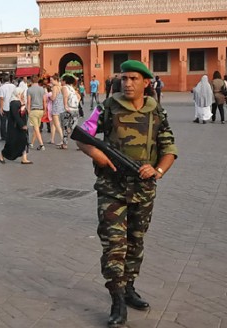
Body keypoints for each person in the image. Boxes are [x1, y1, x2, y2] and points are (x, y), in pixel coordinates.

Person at [76, 60, 177, 328]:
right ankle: (117, 299)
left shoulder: (157, 112)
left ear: (146, 82)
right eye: (124, 78)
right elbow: (82, 135)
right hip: (112, 189)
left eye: (133, 78)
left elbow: (169, 148)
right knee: (114, 244)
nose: (127, 83)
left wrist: (157, 170)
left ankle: (129, 287)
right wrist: (96, 153)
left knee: (135, 242)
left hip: (143, 191)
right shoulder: (107, 107)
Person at [0, 87, 33, 164]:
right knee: (13, 143)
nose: (23, 95)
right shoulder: (14, 103)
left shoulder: (20, 102)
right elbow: (15, 115)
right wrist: (22, 125)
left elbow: (24, 113)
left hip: (21, 126)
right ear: (18, 93)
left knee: (24, 141)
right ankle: (2, 153)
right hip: (15, 127)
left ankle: (24, 158)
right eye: (21, 93)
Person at [27, 76, 46, 150]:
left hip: (33, 110)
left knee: (36, 128)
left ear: (31, 81)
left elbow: (29, 102)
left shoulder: (29, 90)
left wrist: (28, 111)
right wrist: (45, 110)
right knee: (36, 127)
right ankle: (31, 143)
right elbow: (44, 100)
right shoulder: (42, 89)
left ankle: (41, 144)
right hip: (40, 110)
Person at [0, 76, 16, 141]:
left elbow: (1, 99)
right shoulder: (14, 86)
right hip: (13, 106)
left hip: (5, 107)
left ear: (2, 80)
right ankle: (12, 135)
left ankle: (4, 136)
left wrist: (1, 108)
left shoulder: (1, 88)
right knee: (12, 122)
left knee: (3, 122)